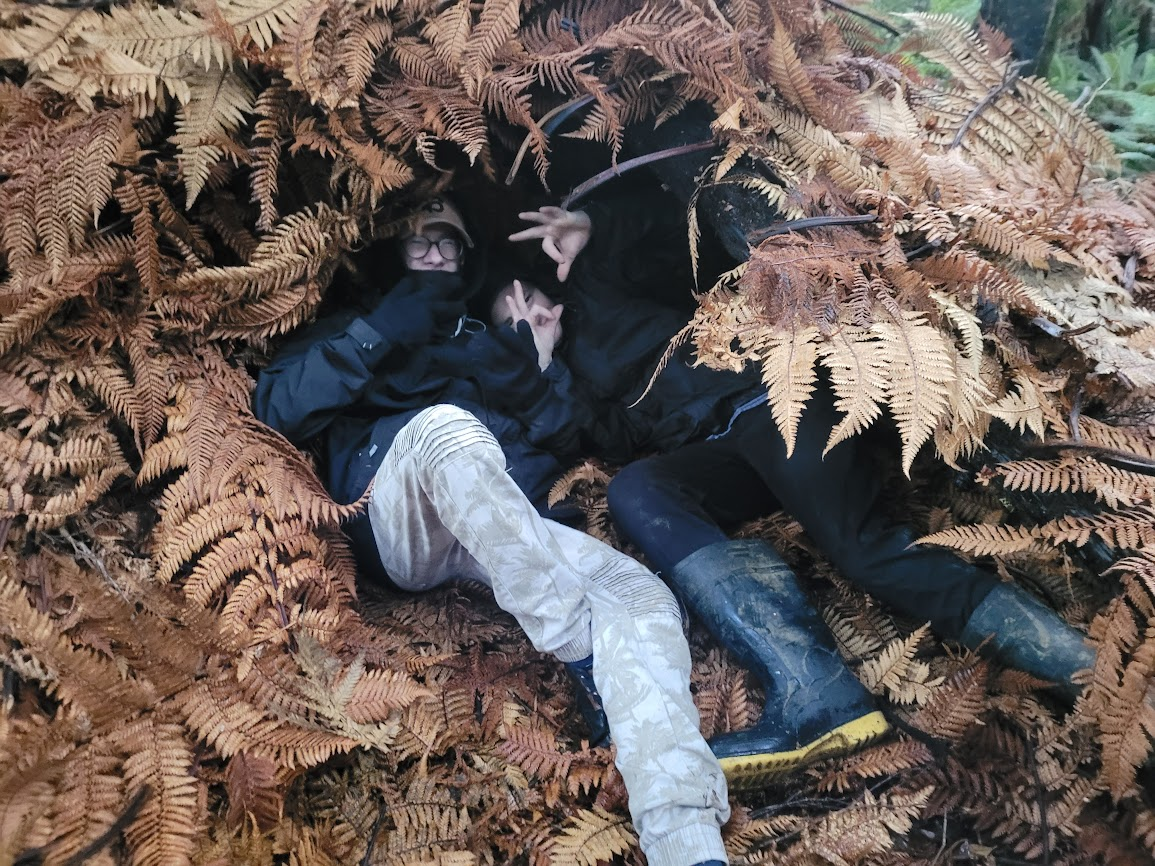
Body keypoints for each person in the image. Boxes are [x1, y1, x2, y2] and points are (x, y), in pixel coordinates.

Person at [509, 201, 1097, 788]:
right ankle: (811, 683)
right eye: (512, 320)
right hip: (721, 450)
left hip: (774, 404)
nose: (529, 313)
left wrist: (596, 229)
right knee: (637, 488)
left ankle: (1085, 673)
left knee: (861, 550)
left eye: (526, 298)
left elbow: (677, 241)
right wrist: (547, 364)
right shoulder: (571, 370)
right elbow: (616, 439)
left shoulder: (600, 282)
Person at [253, 196, 731, 866]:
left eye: (447, 241)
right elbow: (274, 408)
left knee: (639, 594)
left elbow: (574, 442)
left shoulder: (494, 337)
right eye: (419, 240)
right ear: (392, 249)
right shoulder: (358, 323)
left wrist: (537, 371)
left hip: (502, 530)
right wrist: (377, 332)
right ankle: (573, 641)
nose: (435, 254)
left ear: (468, 254)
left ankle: (684, 834)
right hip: (399, 510)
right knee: (448, 428)